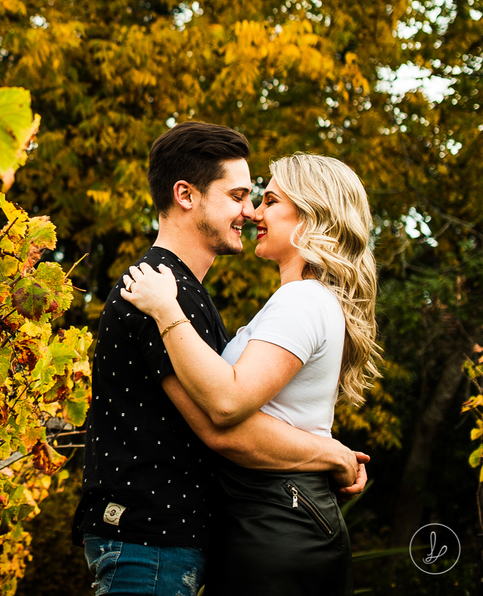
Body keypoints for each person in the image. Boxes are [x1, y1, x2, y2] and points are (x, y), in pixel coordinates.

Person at [72, 122, 368, 596]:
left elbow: (230, 407)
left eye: (263, 200)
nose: (250, 213)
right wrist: (332, 455)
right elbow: (221, 424)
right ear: (186, 195)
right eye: (240, 196)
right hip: (150, 540)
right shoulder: (157, 288)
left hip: (178, 539)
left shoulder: (188, 297)